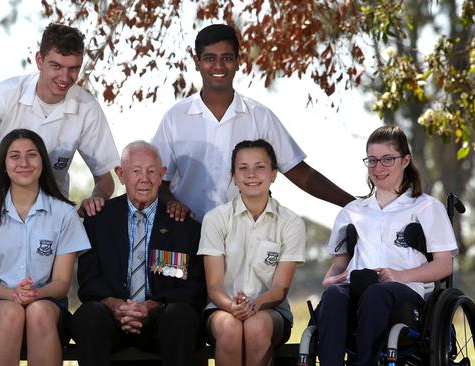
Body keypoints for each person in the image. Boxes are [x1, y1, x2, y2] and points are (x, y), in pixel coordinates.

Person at [152, 23, 353, 222]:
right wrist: (171, 202)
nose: (219, 66)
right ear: (197, 62)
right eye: (210, 58)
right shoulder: (175, 118)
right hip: (186, 235)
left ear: (238, 62)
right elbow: (156, 181)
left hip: (245, 239)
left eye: (227, 58)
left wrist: (353, 204)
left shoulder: (260, 116)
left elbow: (301, 173)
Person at [0, 23, 119, 217]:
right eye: (56, 66)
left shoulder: (87, 108)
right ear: (39, 60)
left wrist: (96, 199)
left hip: (51, 216)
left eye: (73, 68)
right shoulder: (7, 94)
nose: (65, 77)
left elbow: (104, 179)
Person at [316, 125, 458, 365]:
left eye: (387, 159)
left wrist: (399, 276)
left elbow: (444, 265)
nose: (378, 168)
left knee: (377, 293)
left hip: (406, 292)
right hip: (357, 286)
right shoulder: (352, 211)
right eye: (372, 160)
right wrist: (331, 280)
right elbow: (338, 266)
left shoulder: (426, 207)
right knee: (333, 296)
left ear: (405, 161)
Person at [0, 129, 90, 365]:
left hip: (47, 305)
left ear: (43, 162)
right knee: (11, 313)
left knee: (37, 311)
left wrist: (35, 295)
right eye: (14, 156)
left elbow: (60, 284)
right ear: (3, 165)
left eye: (32, 155)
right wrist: (14, 295)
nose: (24, 163)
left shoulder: (64, 214)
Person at [71, 141, 206, 366]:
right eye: (136, 171)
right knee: (88, 316)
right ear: (121, 174)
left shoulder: (183, 224)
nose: (144, 179)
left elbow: (193, 286)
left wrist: (153, 306)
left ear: (162, 174)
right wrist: (115, 305)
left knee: (181, 317)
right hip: (112, 319)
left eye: (152, 171)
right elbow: (88, 280)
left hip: (162, 320)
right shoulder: (99, 220)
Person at [198, 139, 305, 366]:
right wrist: (232, 307)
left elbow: (279, 291)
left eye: (260, 167)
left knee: (255, 326)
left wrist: (253, 305)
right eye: (243, 168)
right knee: (230, 329)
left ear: (274, 174)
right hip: (221, 309)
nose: (251, 174)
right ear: (233, 177)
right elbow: (215, 286)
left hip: (271, 311)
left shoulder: (291, 222)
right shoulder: (215, 219)